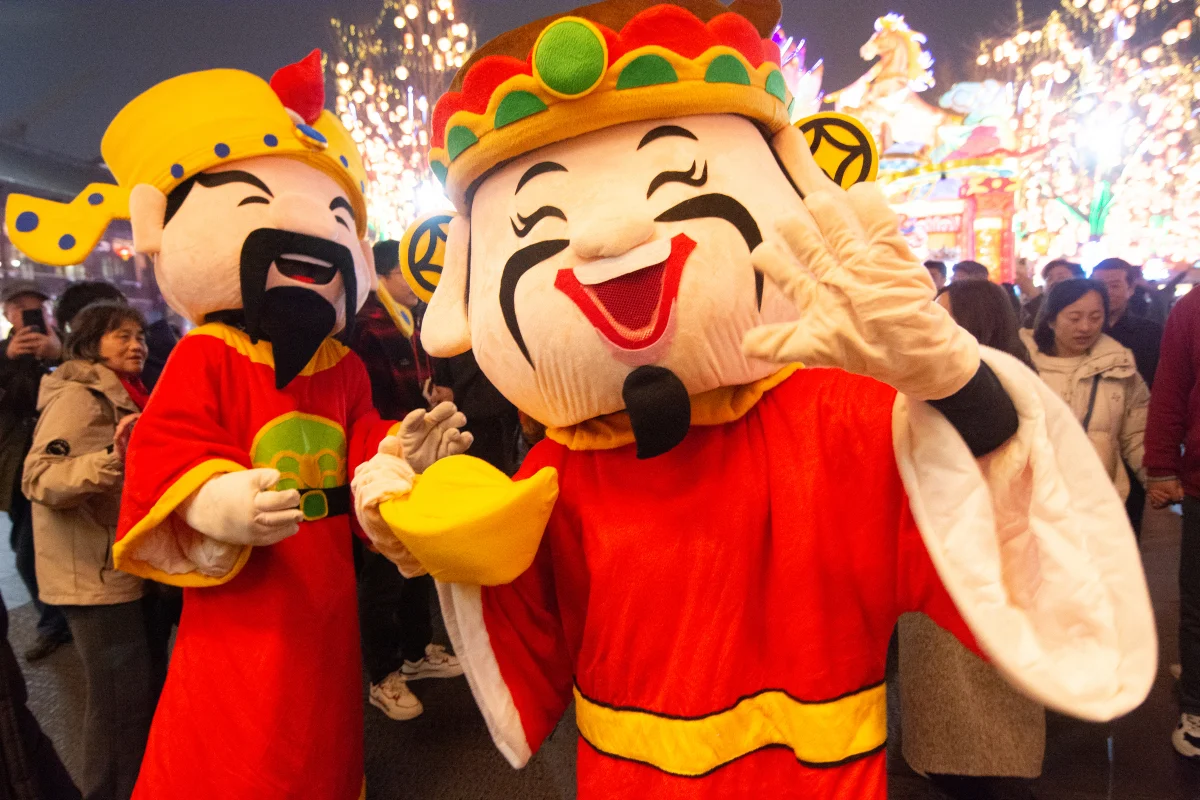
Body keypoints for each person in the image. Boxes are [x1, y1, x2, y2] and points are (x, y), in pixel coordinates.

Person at [352, 2, 1155, 797]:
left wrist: (962, 386)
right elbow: (522, 607)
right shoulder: (569, 464)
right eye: (539, 219)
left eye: (681, 177)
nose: (606, 238)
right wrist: (422, 516)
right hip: (628, 780)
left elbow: (1010, 543)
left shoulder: (843, 419)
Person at [4, 52, 449, 800]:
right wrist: (216, 500)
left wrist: (400, 454)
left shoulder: (340, 365)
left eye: (338, 221)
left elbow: (362, 436)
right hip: (245, 597)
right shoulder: (207, 353)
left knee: (322, 728)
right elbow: (168, 447)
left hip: (325, 592)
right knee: (244, 736)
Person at [901, 280, 1043, 800]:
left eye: (944, 316)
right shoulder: (968, 378)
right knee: (954, 695)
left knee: (973, 693)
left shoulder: (992, 386)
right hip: (948, 550)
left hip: (978, 549)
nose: (932, 325)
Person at [22, 302, 154, 800]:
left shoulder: (127, 392)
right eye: (121, 335)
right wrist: (112, 459)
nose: (137, 345)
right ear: (90, 342)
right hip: (91, 576)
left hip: (118, 565)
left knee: (135, 696)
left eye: (140, 335)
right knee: (120, 705)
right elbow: (39, 478)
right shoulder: (82, 397)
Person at [346, 239, 462, 722]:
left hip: (414, 452)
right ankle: (383, 674)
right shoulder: (366, 324)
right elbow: (366, 402)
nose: (416, 285)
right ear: (385, 275)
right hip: (377, 454)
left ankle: (417, 652)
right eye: (407, 276)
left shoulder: (408, 318)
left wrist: (431, 398)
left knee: (416, 557)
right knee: (381, 570)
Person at [1021, 280, 1148, 502]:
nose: (1085, 327)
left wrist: (1158, 479)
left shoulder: (1118, 366)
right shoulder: (1022, 365)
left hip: (1098, 498)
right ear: (1051, 319)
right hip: (1033, 498)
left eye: (1095, 317)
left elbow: (1137, 435)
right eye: (1074, 318)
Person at [1144, 285, 1200, 758]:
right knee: (1199, 601)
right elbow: (1170, 390)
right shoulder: (1193, 306)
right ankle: (1197, 705)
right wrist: (1161, 466)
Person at [0, 281, 70, 661]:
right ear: (7, 314)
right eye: (20, 309)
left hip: (59, 463)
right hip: (16, 468)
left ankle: (54, 624)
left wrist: (58, 356)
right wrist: (8, 359)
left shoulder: (68, 347)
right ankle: (57, 620)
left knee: (31, 552)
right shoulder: (3, 354)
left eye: (36, 309)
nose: (29, 316)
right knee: (23, 547)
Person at [1094, 258, 1163, 536]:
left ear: (1131, 288)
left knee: (1126, 524)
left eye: (1114, 285)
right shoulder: (1081, 331)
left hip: (1133, 437)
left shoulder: (1151, 333)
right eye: (1099, 285)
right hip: (1090, 440)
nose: (1106, 292)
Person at [1021, 259, 1084, 328]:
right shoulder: (1031, 311)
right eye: (1049, 278)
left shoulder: (1084, 306)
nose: (1054, 282)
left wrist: (1035, 297)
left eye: (1061, 277)